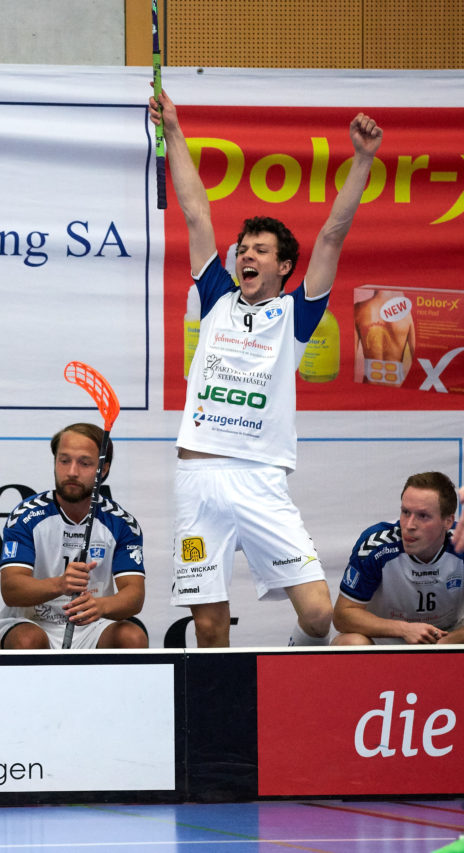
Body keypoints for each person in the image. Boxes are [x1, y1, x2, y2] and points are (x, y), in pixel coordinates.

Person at [150, 90, 383, 647]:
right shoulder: (215, 297)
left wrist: (364, 161)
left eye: (260, 250)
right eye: (243, 249)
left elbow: (332, 233)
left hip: (262, 482)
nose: (246, 256)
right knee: (208, 624)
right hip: (199, 484)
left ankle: (294, 664)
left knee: (317, 614)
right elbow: (196, 210)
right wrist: (175, 129)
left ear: (283, 266)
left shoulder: (296, 314)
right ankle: (213, 725)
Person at [0, 423, 147, 650]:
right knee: (27, 640)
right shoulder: (26, 516)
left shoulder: (122, 523)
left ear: (103, 469)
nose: (72, 472)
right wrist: (59, 584)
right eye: (64, 461)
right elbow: (11, 590)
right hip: (33, 623)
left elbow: (134, 595)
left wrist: (101, 606)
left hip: (92, 625)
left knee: (131, 638)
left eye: (84, 463)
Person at [332, 472, 464, 645]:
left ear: (448, 521)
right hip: (385, 641)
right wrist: (404, 629)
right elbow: (342, 616)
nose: (409, 525)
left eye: (423, 516)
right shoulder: (376, 545)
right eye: (405, 512)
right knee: (351, 642)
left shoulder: (460, 544)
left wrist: (449, 642)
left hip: (448, 640)